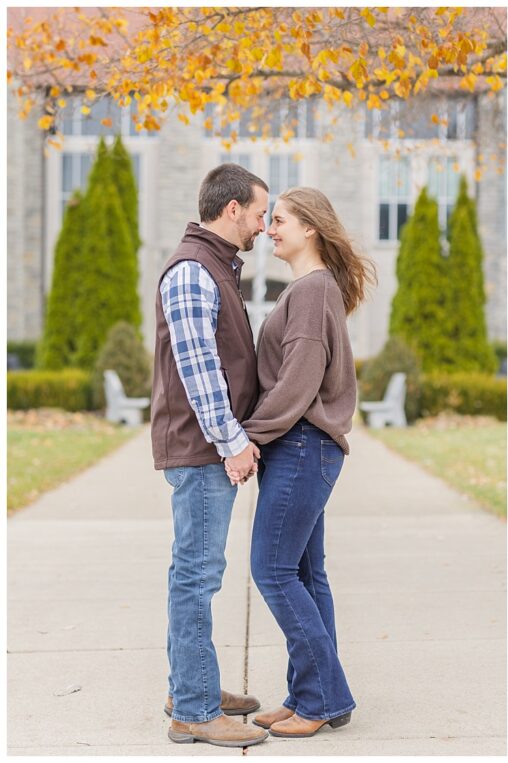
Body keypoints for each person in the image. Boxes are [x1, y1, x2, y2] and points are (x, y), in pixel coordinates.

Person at [224, 187, 376, 738]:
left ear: (311, 228)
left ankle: (324, 698)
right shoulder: (312, 289)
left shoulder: (312, 291)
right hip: (305, 446)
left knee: (273, 570)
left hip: (302, 444)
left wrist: (248, 437)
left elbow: (298, 382)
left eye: (280, 219)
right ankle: (310, 696)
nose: (269, 228)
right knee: (306, 575)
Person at [151, 163, 270, 747]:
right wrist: (234, 444)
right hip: (202, 452)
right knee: (196, 578)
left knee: (193, 573)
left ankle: (191, 684)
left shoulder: (213, 266)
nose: (262, 224)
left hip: (202, 450)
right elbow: (200, 373)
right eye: (258, 213)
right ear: (231, 211)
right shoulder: (194, 272)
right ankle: (195, 710)